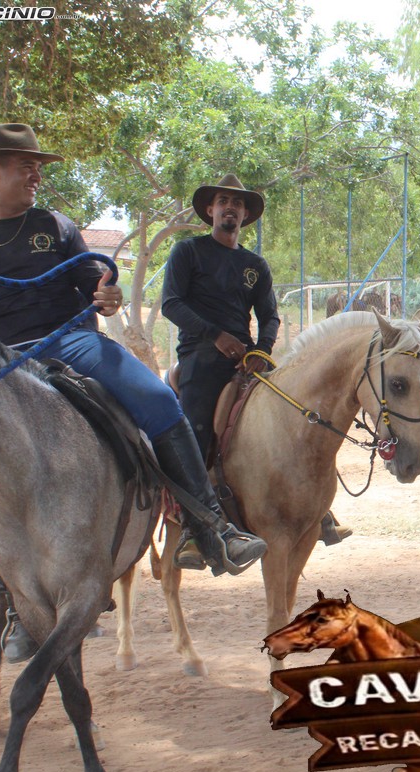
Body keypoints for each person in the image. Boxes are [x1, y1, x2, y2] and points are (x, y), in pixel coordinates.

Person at [0, 124, 268, 661]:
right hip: (0, 365)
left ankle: (211, 527)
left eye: (38, 167)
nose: (37, 175)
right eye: (26, 166)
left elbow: (94, 283)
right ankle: (11, 593)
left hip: (72, 341)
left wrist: (106, 296)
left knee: (159, 399)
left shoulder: (56, 226)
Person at [160, 175, 349, 557]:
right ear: (210, 209)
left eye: (238, 203)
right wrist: (215, 336)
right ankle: (193, 526)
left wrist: (262, 350)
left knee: (297, 412)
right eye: (223, 201)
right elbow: (171, 304)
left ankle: (318, 509)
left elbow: (269, 316)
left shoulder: (254, 265)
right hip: (200, 355)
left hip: (247, 359)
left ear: (245, 215)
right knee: (196, 428)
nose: (230, 208)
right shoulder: (188, 252)